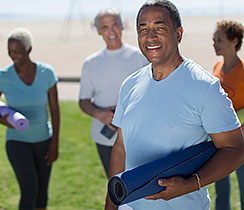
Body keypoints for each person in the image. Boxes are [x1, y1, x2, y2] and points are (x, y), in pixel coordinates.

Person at [105, 1, 244, 210]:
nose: (150, 37)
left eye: (159, 28)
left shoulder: (205, 87)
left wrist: (190, 183)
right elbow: (120, 148)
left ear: (178, 34)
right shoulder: (130, 84)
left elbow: (235, 149)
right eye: (143, 29)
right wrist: (112, 204)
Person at [0, 28, 60, 210]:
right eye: (10, 52)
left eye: (18, 51)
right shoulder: (3, 77)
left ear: (29, 50)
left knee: (42, 192)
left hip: (44, 140)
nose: (13, 56)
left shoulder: (46, 73)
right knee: (29, 189)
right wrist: (4, 121)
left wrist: (54, 143)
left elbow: (54, 109)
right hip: (17, 142)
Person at [79, 8, 148, 178]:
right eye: (105, 27)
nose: (111, 31)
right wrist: (99, 113)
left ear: (123, 26)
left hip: (137, 135)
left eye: (115, 25)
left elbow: (153, 91)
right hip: (105, 138)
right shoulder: (90, 63)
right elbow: (83, 100)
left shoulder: (141, 56)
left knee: (141, 188)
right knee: (116, 187)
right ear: (98, 31)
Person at [213, 20, 244, 210]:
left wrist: (231, 122)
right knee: (220, 186)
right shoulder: (217, 67)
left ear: (234, 41)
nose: (215, 43)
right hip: (220, 140)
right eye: (213, 39)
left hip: (242, 141)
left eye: (220, 39)